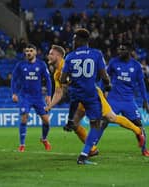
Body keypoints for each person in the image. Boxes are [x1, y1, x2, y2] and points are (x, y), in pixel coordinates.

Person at [46, 45, 146, 157]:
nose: (48, 56)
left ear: (58, 56)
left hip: (92, 95)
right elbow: (59, 92)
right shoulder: (57, 74)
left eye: (51, 54)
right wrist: (50, 106)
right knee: (74, 124)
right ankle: (92, 149)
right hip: (80, 100)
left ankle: (138, 131)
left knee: (111, 118)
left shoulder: (69, 63)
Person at [60, 28, 111, 165]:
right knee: (96, 124)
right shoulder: (96, 54)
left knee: (74, 108)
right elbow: (103, 75)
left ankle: (70, 120)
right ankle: (84, 155)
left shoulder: (70, 56)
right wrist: (107, 85)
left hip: (75, 93)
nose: (73, 42)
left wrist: (70, 81)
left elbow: (62, 78)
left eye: (74, 39)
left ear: (79, 40)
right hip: (90, 93)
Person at [105, 42, 149, 156]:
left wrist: (145, 100)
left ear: (129, 51)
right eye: (119, 49)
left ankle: (144, 149)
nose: (120, 51)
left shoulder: (136, 66)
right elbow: (104, 76)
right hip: (113, 99)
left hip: (129, 100)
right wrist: (103, 90)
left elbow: (141, 84)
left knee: (139, 124)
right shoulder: (113, 62)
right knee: (102, 122)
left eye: (123, 49)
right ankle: (91, 148)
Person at [11, 44, 52, 152]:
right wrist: (14, 93)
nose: (28, 53)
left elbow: (48, 80)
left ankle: (44, 139)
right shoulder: (20, 65)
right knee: (24, 117)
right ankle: (22, 144)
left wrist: (48, 95)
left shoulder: (41, 65)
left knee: (46, 121)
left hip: (38, 97)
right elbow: (14, 79)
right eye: (27, 51)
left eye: (31, 51)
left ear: (35, 52)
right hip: (25, 96)